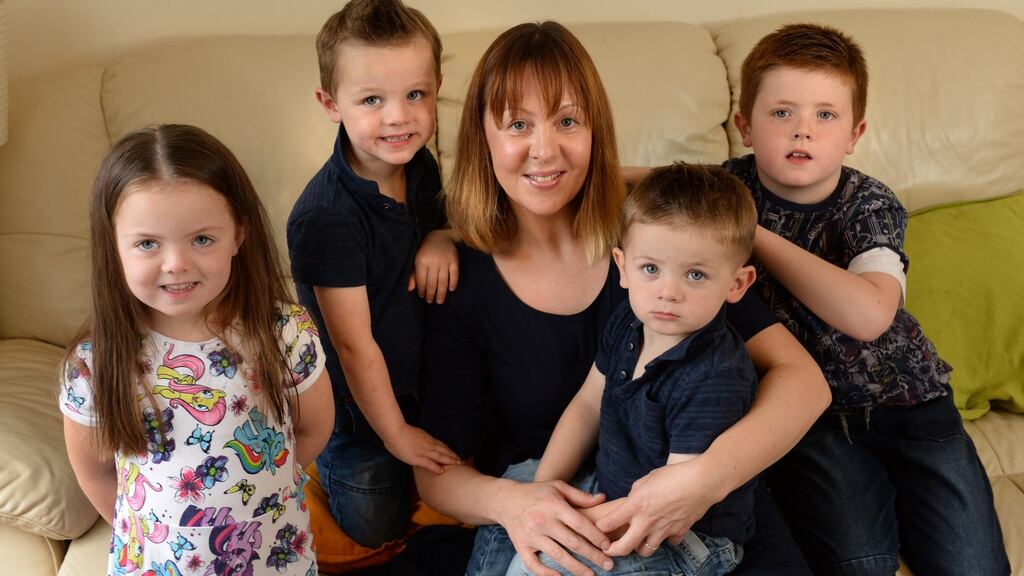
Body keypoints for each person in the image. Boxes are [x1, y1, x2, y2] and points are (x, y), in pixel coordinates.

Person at [414, 21, 831, 576]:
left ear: (596, 131)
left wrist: (704, 479)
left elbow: (803, 384)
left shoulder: (659, 234)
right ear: (482, 137)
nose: (545, 149)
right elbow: (433, 471)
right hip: (556, 506)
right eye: (517, 124)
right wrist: (515, 502)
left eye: (568, 121)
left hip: (699, 516)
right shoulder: (458, 275)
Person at [726, 23, 1009, 576]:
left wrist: (751, 232)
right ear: (745, 127)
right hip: (816, 420)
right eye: (781, 113)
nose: (802, 131)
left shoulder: (870, 203)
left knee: (974, 565)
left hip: (913, 404)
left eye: (824, 115)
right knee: (860, 563)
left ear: (854, 134)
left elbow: (869, 315)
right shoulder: (726, 190)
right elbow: (649, 186)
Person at [60, 124, 334, 576]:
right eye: (148, 243)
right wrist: (147, 532)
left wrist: (259, 487)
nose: (176, 264)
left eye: (202, 239)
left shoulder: (285, 332)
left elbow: (314, 429)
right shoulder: (93, 365)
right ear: (114, 246)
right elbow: (94, 470)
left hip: (273, 557)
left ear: (239, 235)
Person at [506, 163, 760, 576]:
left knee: (538, 564)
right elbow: (588, 403)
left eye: (696, 274)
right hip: (613, 492)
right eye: (651, 269)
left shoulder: (715, 375)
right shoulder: (630, 320)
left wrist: (573, 529)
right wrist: (541, 496)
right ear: (622, 267)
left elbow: (669, 503)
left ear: (737, 284)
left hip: (683, 538)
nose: (667, 292)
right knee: (515, 504)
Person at [286, 0, 461, 548]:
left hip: (424, 374)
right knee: (374, 525)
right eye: (371, 100)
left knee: (456, 481)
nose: (399, 117)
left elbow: (463, 216)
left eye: (416, 94)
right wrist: (398, 437)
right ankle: (322, 464)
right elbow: (354, 346)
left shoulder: (420, 162)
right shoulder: (327, 217)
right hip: (357, 412)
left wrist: (441, 235)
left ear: (436, 88)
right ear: (330, 103)